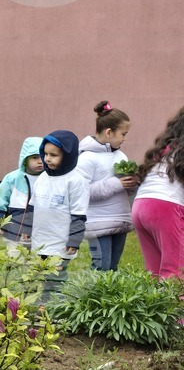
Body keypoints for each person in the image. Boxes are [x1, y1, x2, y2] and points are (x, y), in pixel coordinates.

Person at [77, 101, 137, 271]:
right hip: (99, 222)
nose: (125, 138)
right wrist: (116, 183)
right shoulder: (86, 158)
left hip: (120, 219)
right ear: (109, 132)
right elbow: (82, 191)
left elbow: (124, 189)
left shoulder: (121, 156)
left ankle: (108, 297)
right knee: (101, 266)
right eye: (123, 134)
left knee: (112, 267)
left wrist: (131, 184)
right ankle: (90, 297)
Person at [31, 131, 89, 299]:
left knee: (56, 277)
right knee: (42, 276)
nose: (47, 159)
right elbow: (33, 206)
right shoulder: (42, 178)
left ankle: (58, 312)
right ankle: (44, 308)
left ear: (68, 156)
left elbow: (79, 214)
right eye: (46, 154)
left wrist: (74, 240)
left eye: (54, 155)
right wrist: (27, 229)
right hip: (41, 240)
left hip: (61, 242)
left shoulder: (76, 180)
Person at [133, 105, 184, 278]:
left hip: (141, 204)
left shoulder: (167, 148)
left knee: (154, 273)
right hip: (166, 206)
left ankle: (154, 305)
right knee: (175, 272)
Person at [0, 137, 45, 245]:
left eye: (42, 157)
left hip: (39, 235)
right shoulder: (12, 178)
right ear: (25, 159)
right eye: (35, 157)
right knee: (14, 258)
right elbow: (0, 201)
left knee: (36, 260)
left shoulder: (48, 179)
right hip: (14, 232)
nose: (40, 161)